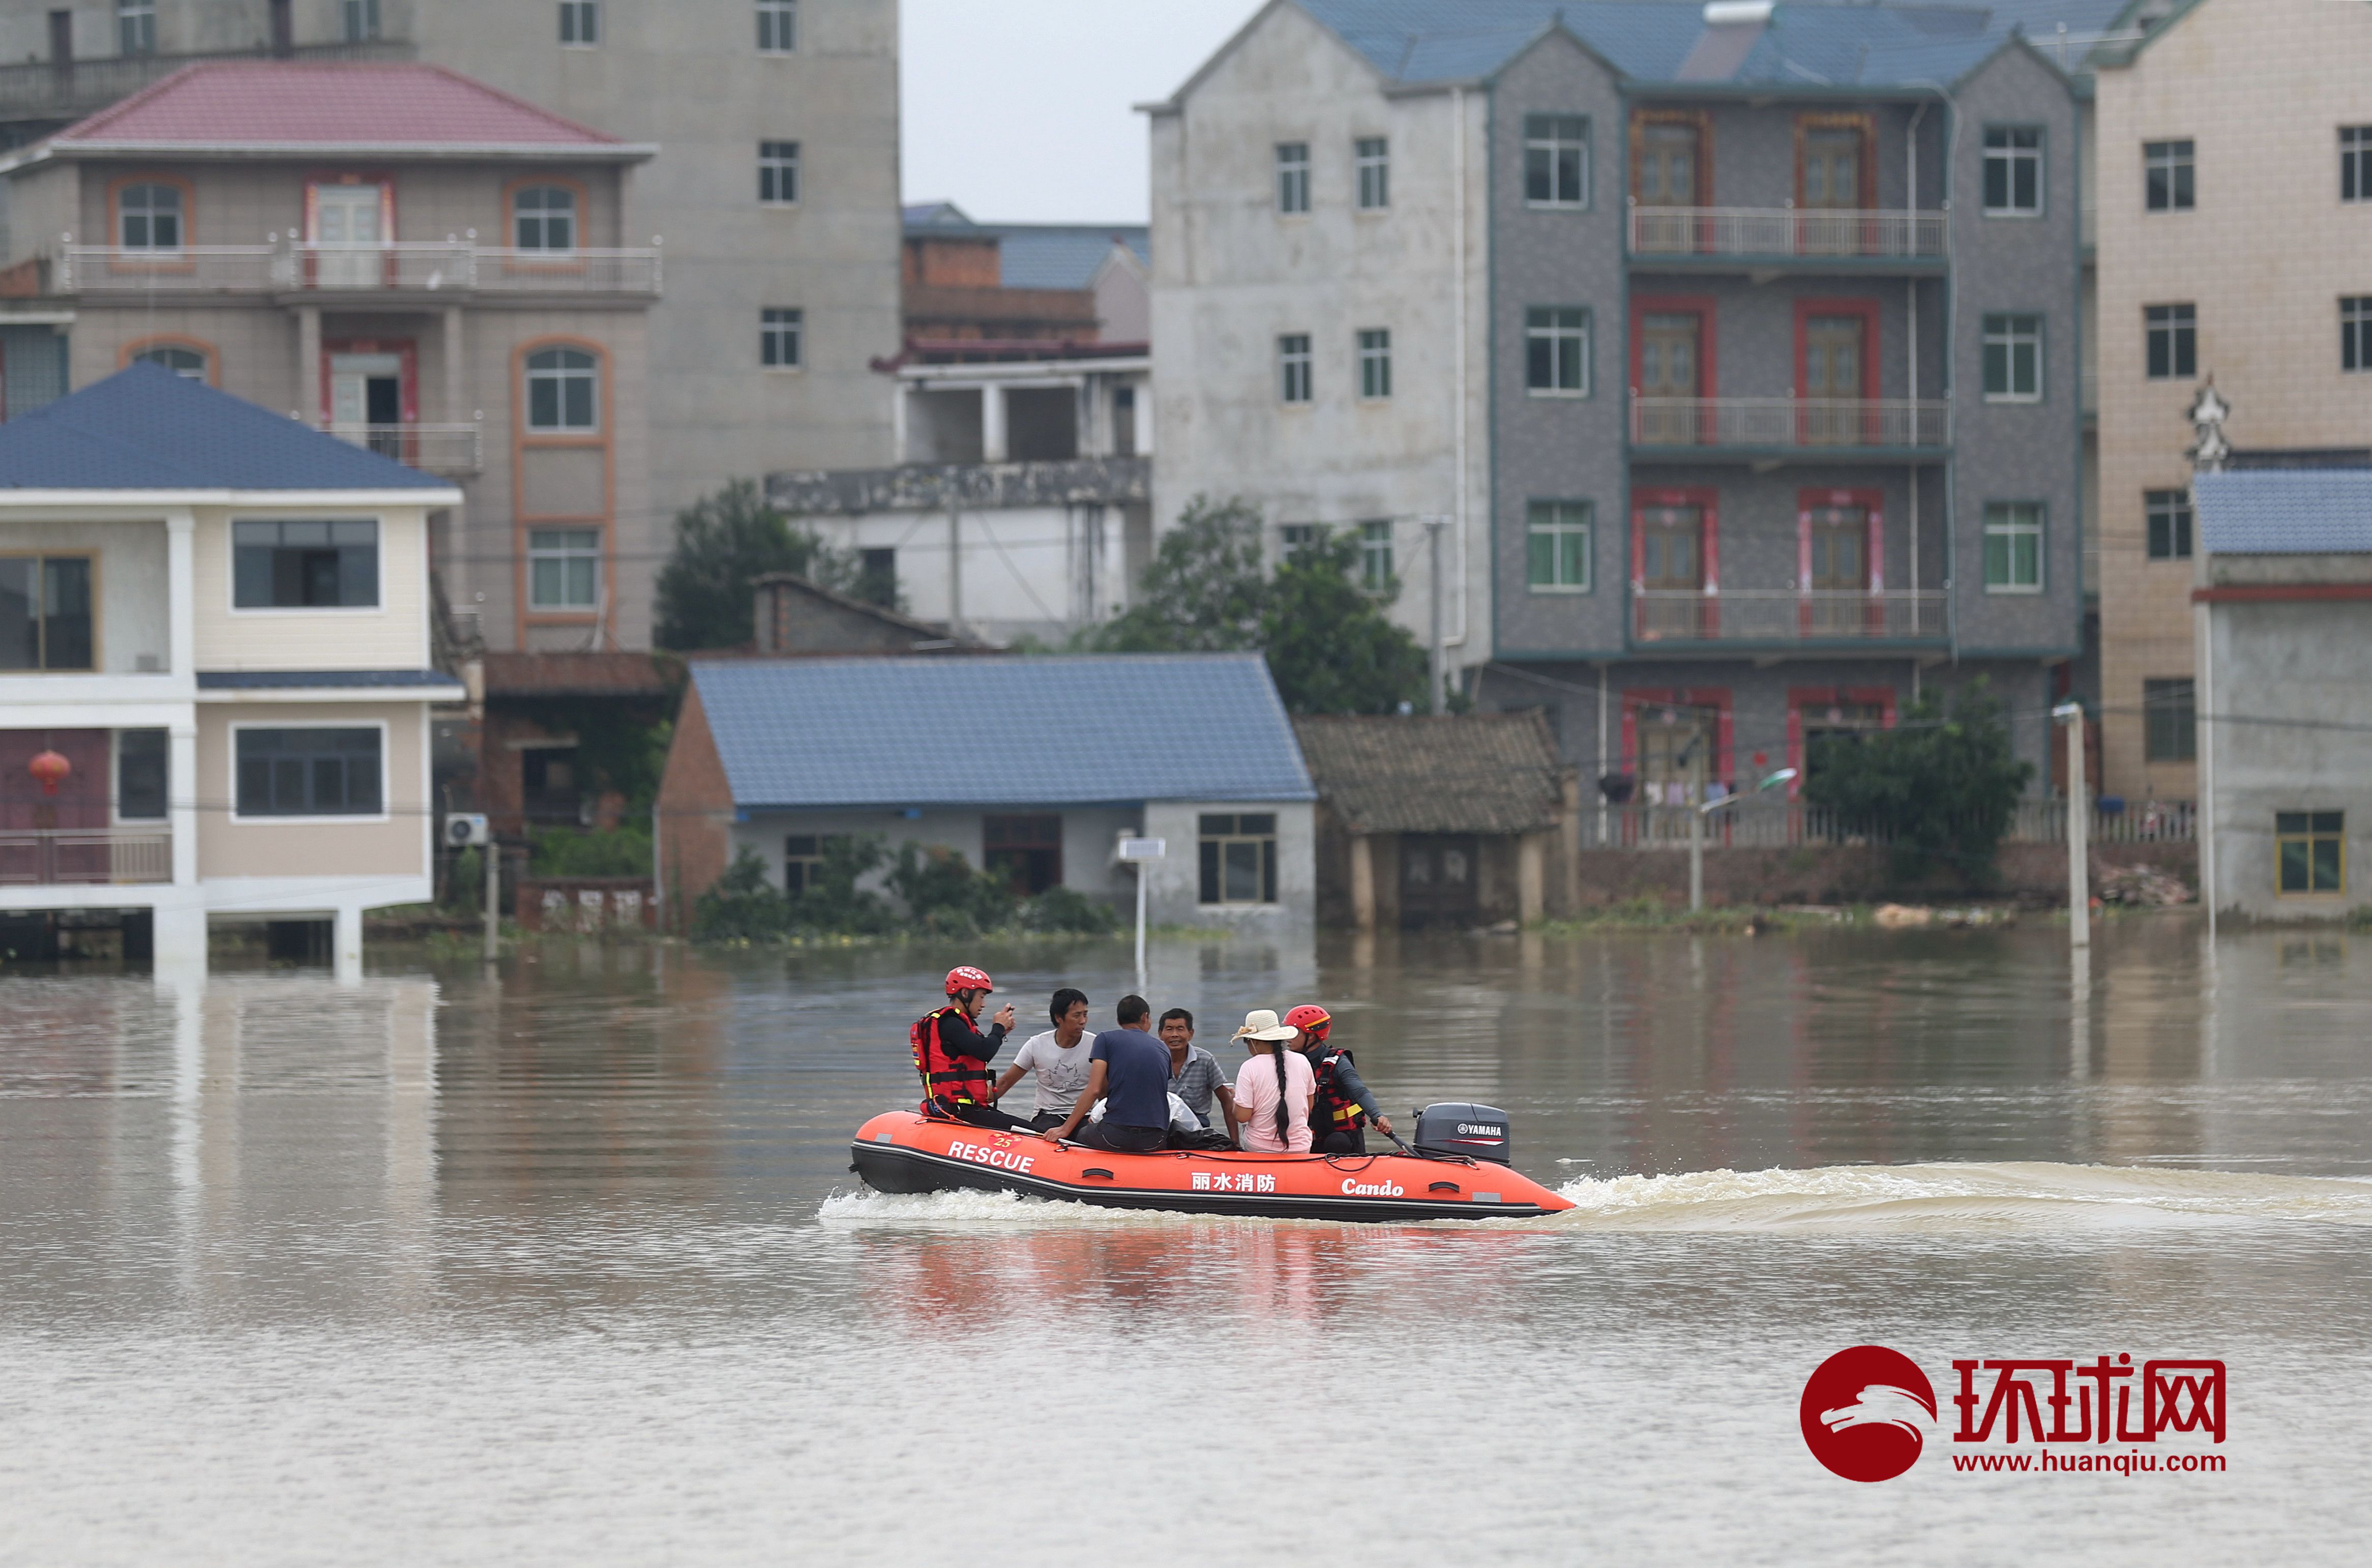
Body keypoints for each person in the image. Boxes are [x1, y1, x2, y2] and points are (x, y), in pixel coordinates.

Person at [1039, 994, 1173, 1153]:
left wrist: (1064, 1129)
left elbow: (1095, 1090)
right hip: (1155, 1140)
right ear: (1145, 1018)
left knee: (1082, 1133)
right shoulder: (1163, 1048)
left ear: (1118, 1021)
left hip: (1114, 1137)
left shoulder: (1105, 1039)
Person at [910, 965, 1030, 1130]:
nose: (983, 1004)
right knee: (1035, 1132)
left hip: (965, 1109)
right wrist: (999, 1028)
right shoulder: (950, 1023)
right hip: (961, 1112)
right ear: (965, 993)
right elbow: (984, 1051)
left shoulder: (951, 1023)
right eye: (981, 997)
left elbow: (981, 1047)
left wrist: (1001, 1032)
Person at [1284, 1003, 1393, 1155]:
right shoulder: (1286, 1063)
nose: (1287, 1038)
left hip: (1342, 1139)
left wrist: (1377, 1115)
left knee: (1336, 1142)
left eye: (1294, 1032)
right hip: (1308, 1136)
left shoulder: (1337, 1062)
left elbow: (1359, 1091)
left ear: (1311, 1036)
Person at [990, 988, 1094, 1131]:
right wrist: (970, 1103)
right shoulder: (1036, 1044)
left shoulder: (1096, 1045)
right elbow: (1004, 1083)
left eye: (1085, 1015)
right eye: (1077, 1016)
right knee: (1045, 1134)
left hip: (1085, 1115)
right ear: (1059, 1018)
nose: (1083, 1021)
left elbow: (1105, 1089)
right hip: (1048, 1115)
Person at [1226, 1008, 1314, 1153]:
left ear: (1254, 1042)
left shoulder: (1250, 1067)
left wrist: (1235, 1100)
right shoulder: (1302, 1061)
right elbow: (1308, 1107)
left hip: (1259, 1148)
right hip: (1301, 1148)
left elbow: (1242, 1117)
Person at [1157, 1007, 1236, 1141]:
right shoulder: (1153, 1060)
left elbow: (1226, 1101)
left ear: (1191, 1034)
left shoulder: (1205, 1060)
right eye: (1169, 1029)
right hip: (1161, 1125)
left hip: (1197, 1127)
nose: (1175, 1034)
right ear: (1160, 1034)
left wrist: (1236, 1143)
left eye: (1180, 1029)